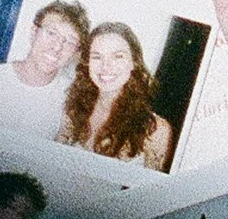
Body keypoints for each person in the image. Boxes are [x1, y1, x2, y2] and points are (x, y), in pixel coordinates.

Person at [0, 0, 92, 141]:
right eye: (51, 33)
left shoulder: (73, 100)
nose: (57, 47)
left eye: (70, 42)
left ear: (76, 53)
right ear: (34, 32)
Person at [61, 19, 175, 171]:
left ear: (134, 62)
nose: (106, 66)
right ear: (87, 62)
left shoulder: (155, 130)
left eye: (117, 56)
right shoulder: (72, 109)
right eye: (97, 56)